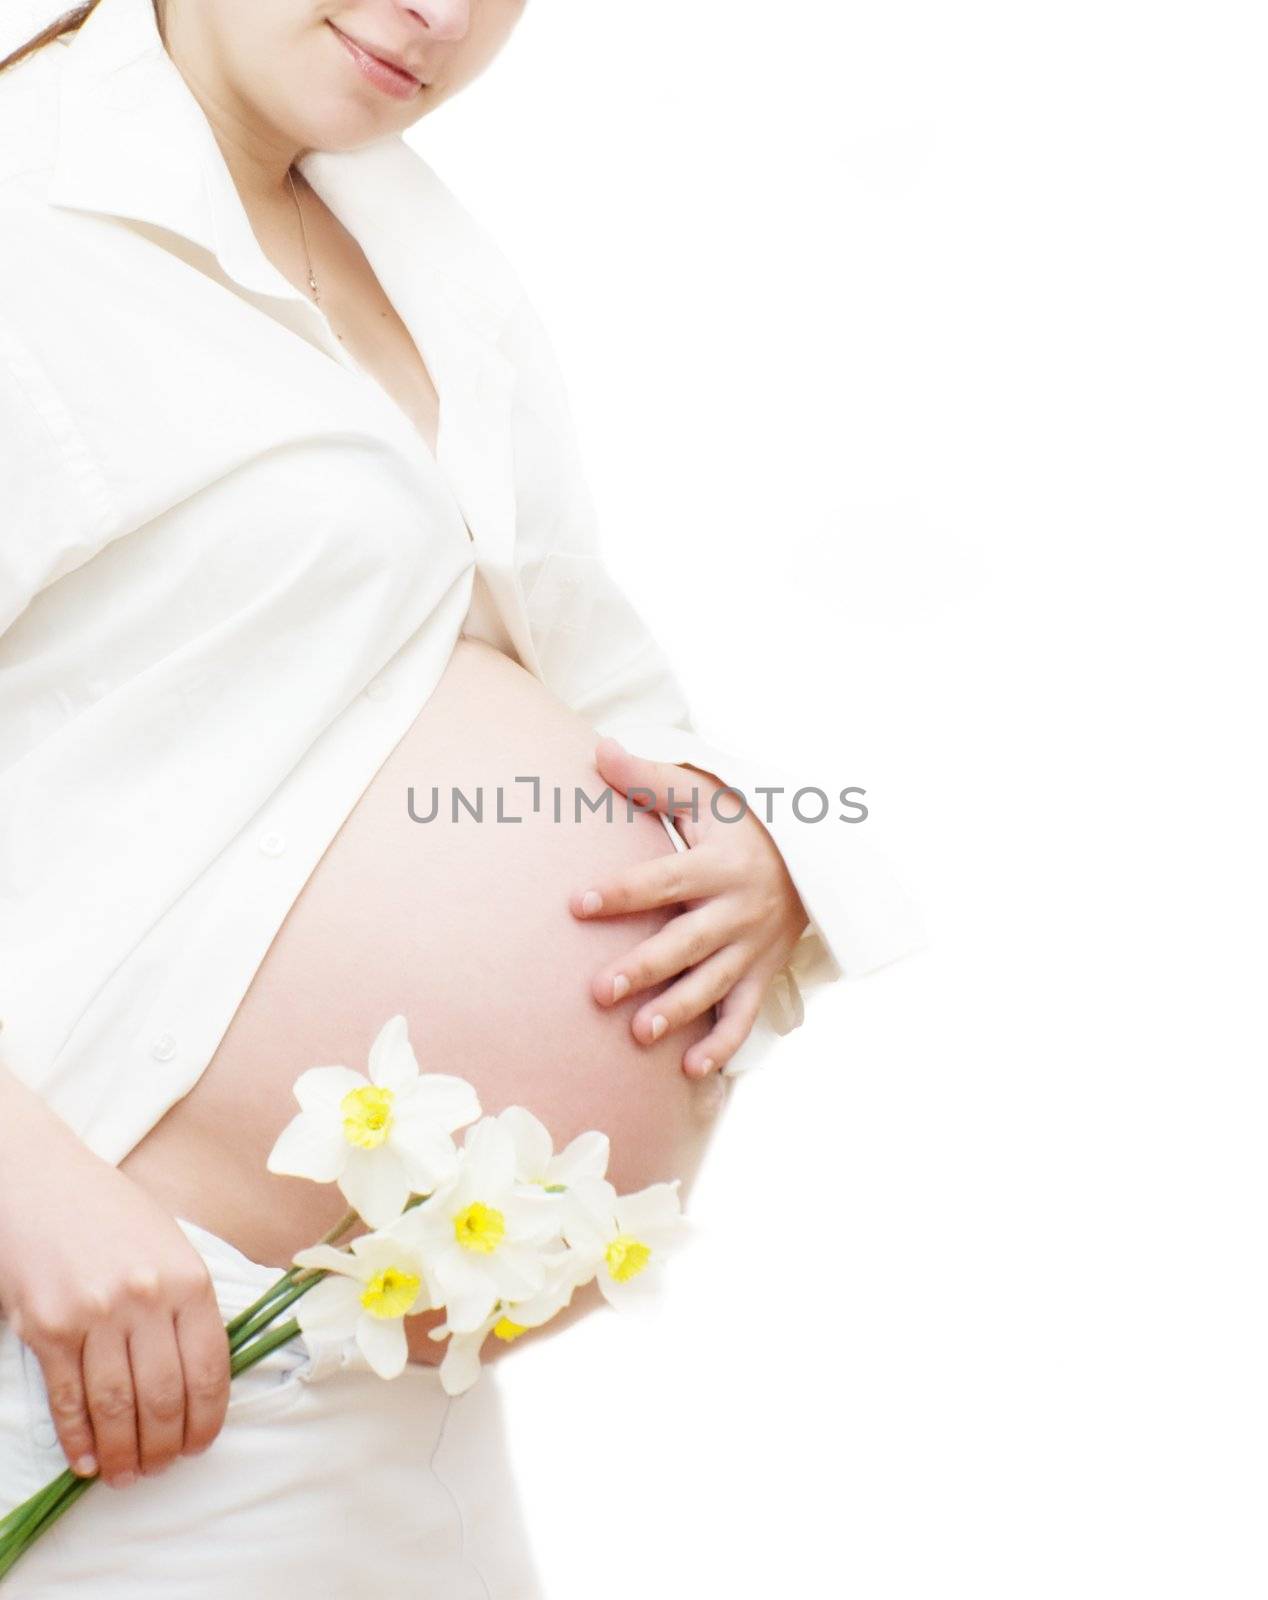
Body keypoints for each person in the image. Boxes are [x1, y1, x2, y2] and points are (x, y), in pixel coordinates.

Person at [0, 0, 921, 1591]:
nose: (443, 14)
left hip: (380, 1394)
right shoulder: (31, 224)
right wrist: (27, 1193)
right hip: (104, 1337)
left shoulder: (417, 257)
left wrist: (760, 847)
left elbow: (578, 696)